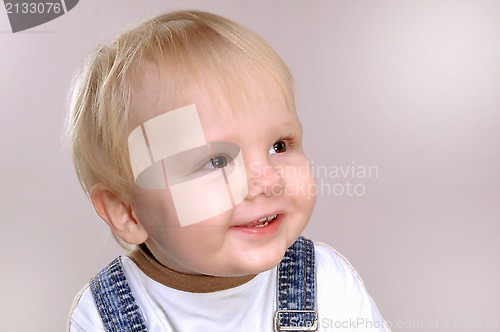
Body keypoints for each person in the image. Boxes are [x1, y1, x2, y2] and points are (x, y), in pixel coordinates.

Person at [67, 10, 389, 332]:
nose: (268, 181)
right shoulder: (102, 317)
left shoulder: (326, 284)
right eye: (217, 161)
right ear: (127, 212)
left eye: (279, 145)